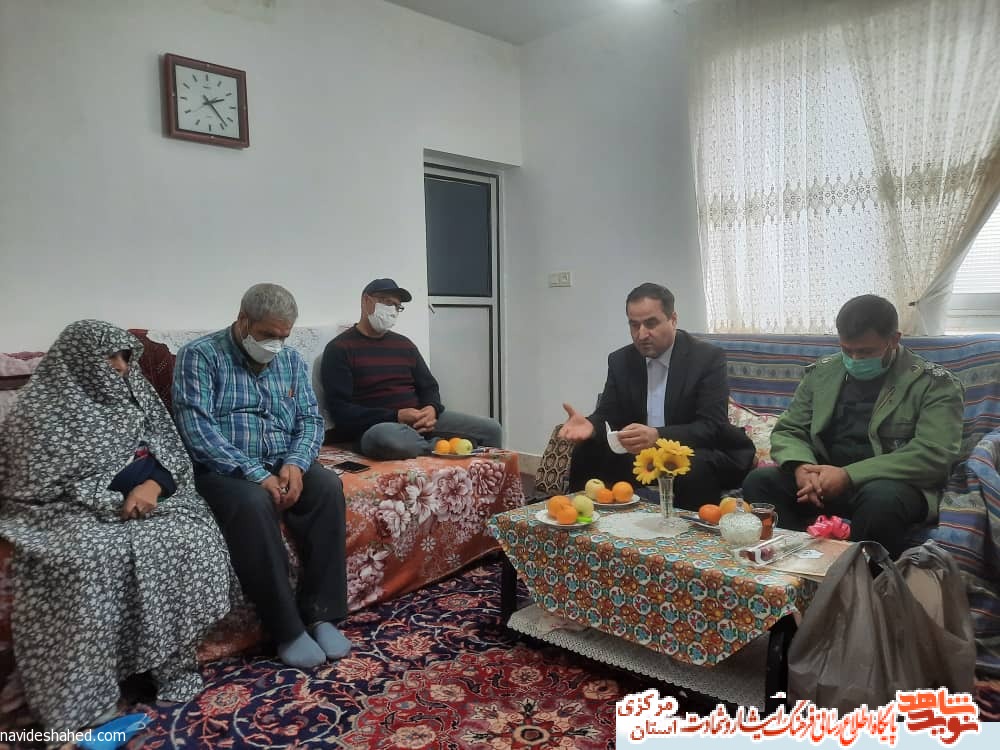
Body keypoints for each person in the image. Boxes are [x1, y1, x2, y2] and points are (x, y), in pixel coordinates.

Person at [0, 320, 232, 733]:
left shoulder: (135, 393)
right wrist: (107, 500)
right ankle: (87, 708)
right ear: (78, 361)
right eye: (112, 358)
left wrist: (152, 486)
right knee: (87, 559)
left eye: (126, 358)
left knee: (188, 535)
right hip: (69, 512)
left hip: (148, 499)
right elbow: (32, 488)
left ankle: (169, 666)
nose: (123, 368)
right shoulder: (38, 413)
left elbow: (170, 452)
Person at [173, 283, 350, 669]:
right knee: (253, 503)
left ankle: (322, 614)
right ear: (243, 321)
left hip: (282, 460)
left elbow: (309, 419)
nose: (275, 345)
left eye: (283, 336)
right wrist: (255, 474)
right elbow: (197, 431)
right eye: (268, 334)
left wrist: (296, 464)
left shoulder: (291, 360)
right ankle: (287, 629)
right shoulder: (199, 356)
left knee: (327, 486)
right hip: (224, 469)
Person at [742, 295, 965, 559]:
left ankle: (864, 578)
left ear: (894, 339)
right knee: (761, 482)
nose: (855, 359)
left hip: (889, 484)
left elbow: (933, 454)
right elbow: (790, 430)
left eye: (866, 352)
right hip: (823, 483)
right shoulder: (823, 373)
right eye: (847, 350)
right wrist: (802, 467)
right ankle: (797, 564)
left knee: (880, 501)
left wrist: (848, 475)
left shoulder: (935, 384)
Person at [559, 283, 754, 507]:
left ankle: (691, 529)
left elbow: (712, 427)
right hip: (643, 455)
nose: (641, 334)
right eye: (634, 325)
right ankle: (581, 519)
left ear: (673, 320)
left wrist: (657, 436)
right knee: (587, 450)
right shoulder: (621, 360)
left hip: (698, 450)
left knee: (691, 468)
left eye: (651, 324)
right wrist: (591, 426)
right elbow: (608, 414)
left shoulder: (706, 358)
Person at [321, 278, 503, 459]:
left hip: (420, 420)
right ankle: (439, 446)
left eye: (397, 306)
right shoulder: (339, 349)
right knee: (384, 439)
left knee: (491, 429)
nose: (393, 310)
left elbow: (429, 387)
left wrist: (431, 408)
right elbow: (341, 411)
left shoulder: (404, 345)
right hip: (379, 427)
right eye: (387, 302)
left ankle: (446, 450)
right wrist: (396, 416)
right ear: (366, 301)